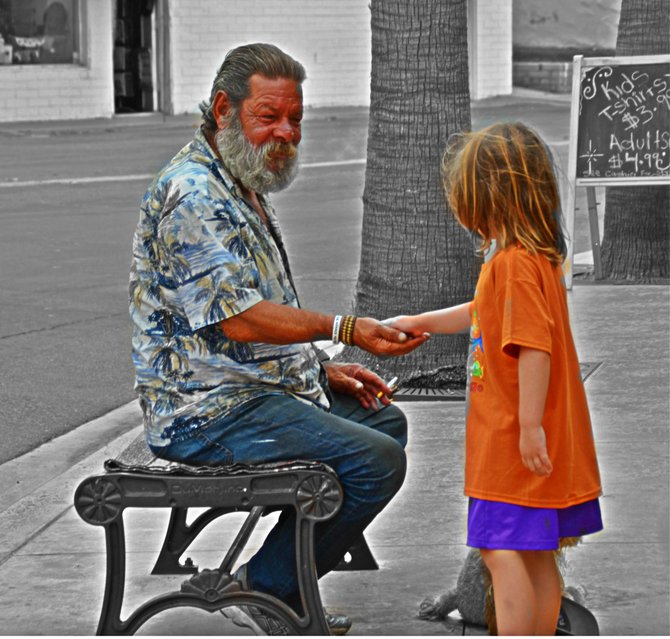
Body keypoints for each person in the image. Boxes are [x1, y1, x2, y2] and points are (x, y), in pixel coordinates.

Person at [129, 42, 428, 635]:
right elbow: (237, 319)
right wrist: (343, 330)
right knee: (375, 461)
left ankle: (272, 582)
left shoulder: (238, 180)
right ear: (223, 108)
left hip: (248, 391)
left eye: (295, 118)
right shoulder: (194, 192)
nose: (286, 132)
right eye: (269, 116)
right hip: (205, 412)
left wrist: (319, 371)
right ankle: (269, 589)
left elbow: (257, 321)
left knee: (383, 423)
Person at [385, 122, 603, 635]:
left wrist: (528, 426)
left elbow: (534, 348)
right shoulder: (531, 259)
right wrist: (419, 322)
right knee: (534, 555)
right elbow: (480, 311)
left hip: (512, 446)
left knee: (500, 552)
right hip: (532, 441)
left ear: (487, 197)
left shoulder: (513, 264)